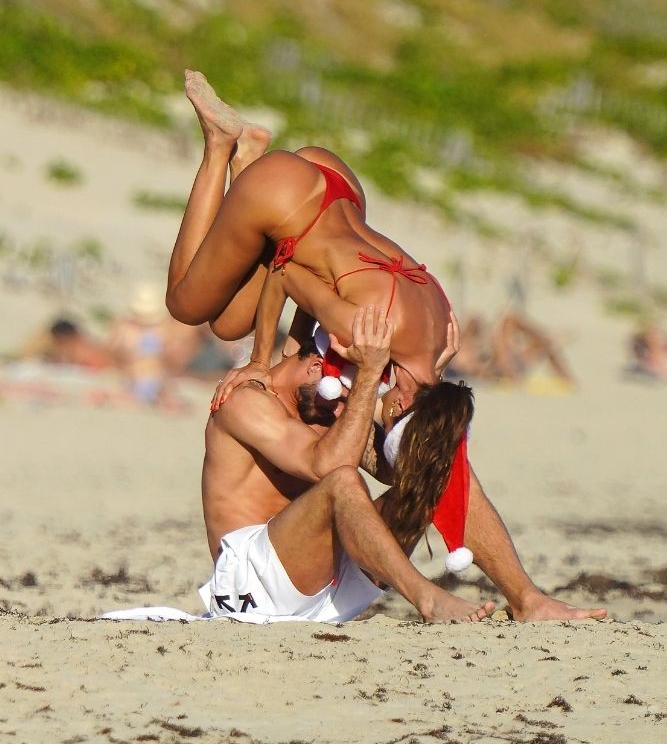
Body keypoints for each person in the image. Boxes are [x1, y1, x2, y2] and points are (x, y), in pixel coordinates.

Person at [201, 304, 607, 624]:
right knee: (343, 482)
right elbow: (328, 469)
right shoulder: (247, 402)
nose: (343, 406)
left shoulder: (323, 406)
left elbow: (401, 467)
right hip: (252, 586)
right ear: (315, 367)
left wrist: (426, 382)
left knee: (436, 466)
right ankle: (426, 598)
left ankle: (527, 600)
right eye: (343, 392)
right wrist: (368, 375)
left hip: (322, 587)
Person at [166, 70, 453, 409]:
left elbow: (326, 278)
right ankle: (219, 142)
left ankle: (247, 157)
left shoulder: (443, 330)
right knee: (184, 305)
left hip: (342, 190)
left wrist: (293, 343)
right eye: (389, 413)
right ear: (403, 403)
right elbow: (286, 274)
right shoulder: (369, 334)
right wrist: (259, 363)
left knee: (231, 324)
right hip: (287, 196)